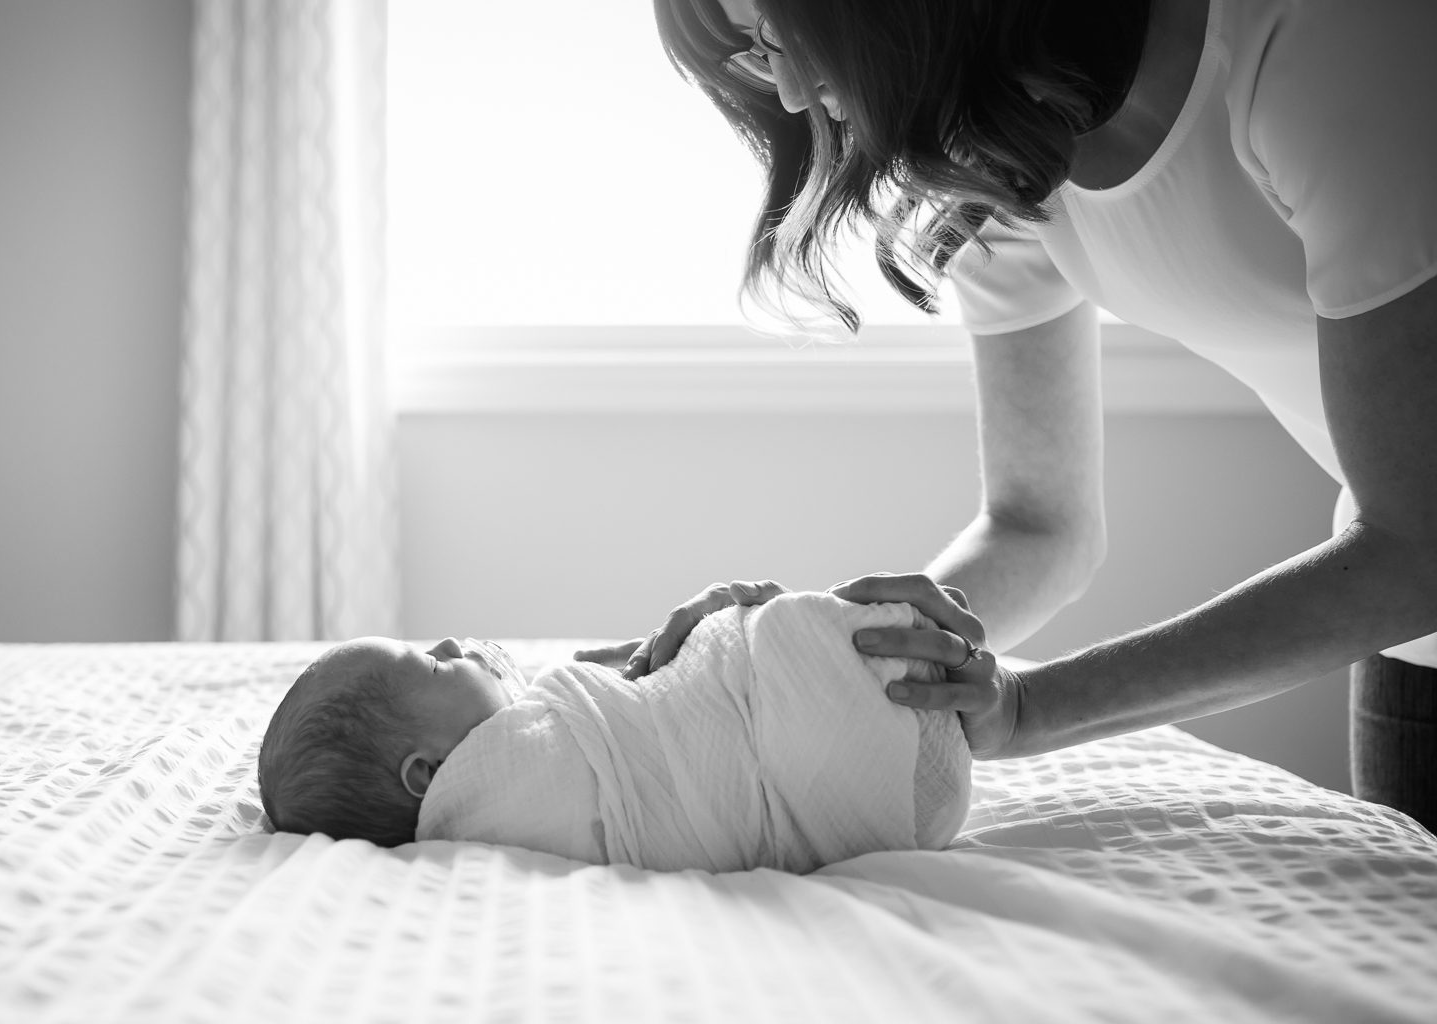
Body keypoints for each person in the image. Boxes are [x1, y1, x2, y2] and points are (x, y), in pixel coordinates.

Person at [632, 0, 1437, 828]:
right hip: (1408, 638)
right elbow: (1038, 525)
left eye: (787, 24)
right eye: (759, 50)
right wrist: (808, 655)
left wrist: (1028, 708)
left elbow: (1419, 549)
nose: (795, 92)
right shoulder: (992, 162)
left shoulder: (1325, 41)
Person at [257, 582, 973, 873]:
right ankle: (881, 702)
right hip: (816, 766)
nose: (451, 647)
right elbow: (636, 766)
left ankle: (886, 717)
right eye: (437, 668)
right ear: (427, 772)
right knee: (781, 636)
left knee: (762, 648)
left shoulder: (511, 767)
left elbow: (631, 727)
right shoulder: (498, 792)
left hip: (885, 792)